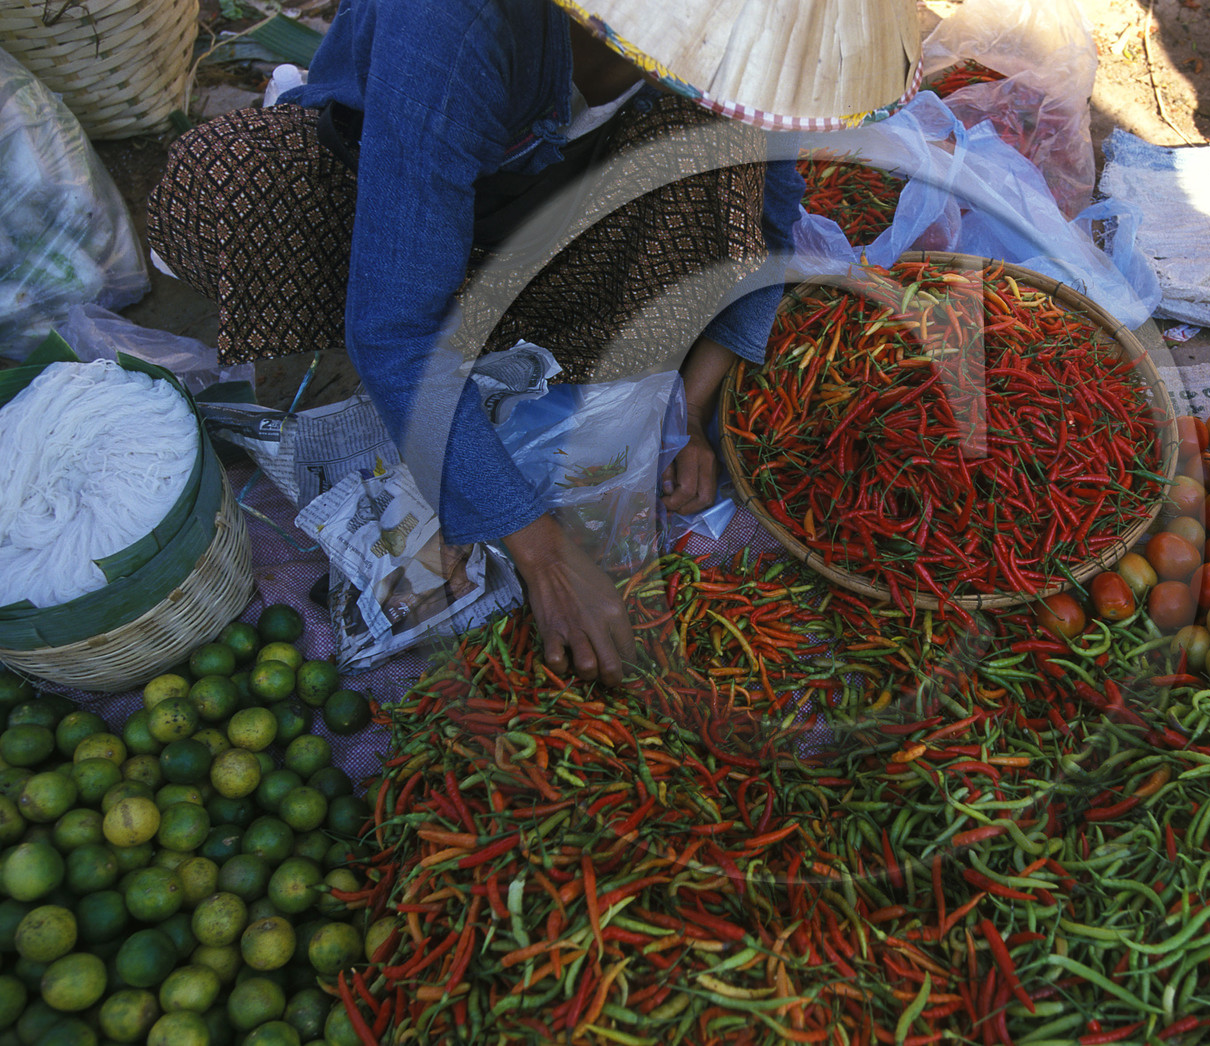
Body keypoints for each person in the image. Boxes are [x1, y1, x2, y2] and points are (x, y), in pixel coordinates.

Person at [147, 0, 920, 686]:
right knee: (235, 187)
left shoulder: (744, 55)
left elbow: (770, 221)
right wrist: (544, 554)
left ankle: (520, 339)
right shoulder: (456, 22)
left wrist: (689, 409)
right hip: (397, 157)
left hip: (565, 188)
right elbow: (394, 325)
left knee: (719, 165)